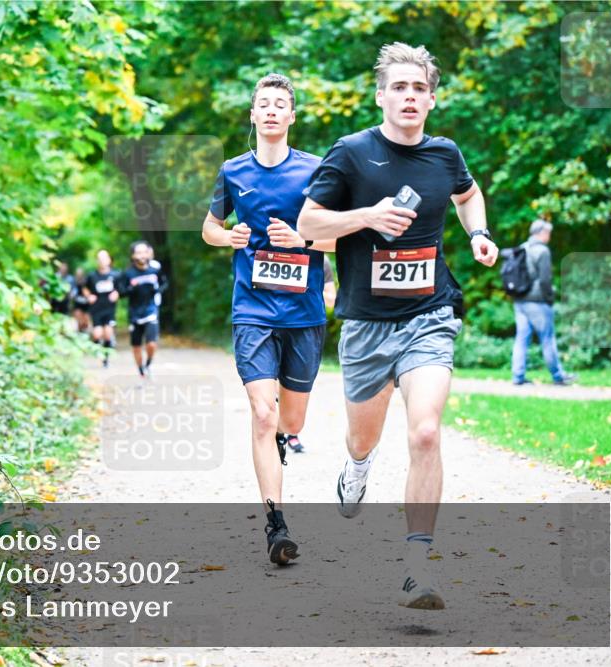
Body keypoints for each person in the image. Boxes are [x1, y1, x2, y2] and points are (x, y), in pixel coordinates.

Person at [298, 43, 499, 609]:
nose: (410, 97)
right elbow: (308, 223)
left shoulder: (445, 154)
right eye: (399, 87)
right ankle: (358, 466)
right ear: (381, 96)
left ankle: (416, 567)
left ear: (431, 100)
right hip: (366, 323)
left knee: (426, 432)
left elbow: (468, 194)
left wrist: (478, 234)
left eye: (419, 89)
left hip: (429, 314)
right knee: (363, 437)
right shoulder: (352, 153)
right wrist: (367, 215)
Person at [201, 73, 336, 566]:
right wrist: (228, 237)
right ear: (254, 114)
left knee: (289, 421)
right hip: (253, 310)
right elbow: (209, 227)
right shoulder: (233, 171)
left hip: (303, 313)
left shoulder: (316, 170)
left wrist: (302, 240)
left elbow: (342, 237)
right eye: (265, 103)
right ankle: (276, 525)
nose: (273, 110)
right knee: (263, 414)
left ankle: (281, 439)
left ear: (291, 116)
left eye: (281, 104)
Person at [281, 255, 336, 456]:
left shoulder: (321, 260)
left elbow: (331, 299)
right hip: (272, 321)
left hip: (304, 325)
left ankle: (290, 430)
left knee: (294, 387)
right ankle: (276, 430)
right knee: (272, 381)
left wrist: (311, 288)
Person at [511, 219, 575, 386]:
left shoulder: (522, 247)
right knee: (547, 338)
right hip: (537, 301)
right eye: (548, 233)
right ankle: (558, 376)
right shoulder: (542, 251)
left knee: (521, 338)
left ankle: (518, 377)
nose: (549, 237)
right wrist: (549, 298)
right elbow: (545, 280)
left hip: (519, 299)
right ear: (542, 233)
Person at [119, 240, 168, 378]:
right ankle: (141, 370)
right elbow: (121, 293)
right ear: (133, 255)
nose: (141, 255)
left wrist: (157, 289)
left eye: (144, 252)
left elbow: (164, 283)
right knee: (136, 346)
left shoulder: (155, 271)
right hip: (134, 313)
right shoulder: (128, 273)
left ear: (148, 254)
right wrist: (131, 288)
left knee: (151, 343)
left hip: (151, 310)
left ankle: (149, 364)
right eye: (138, 252)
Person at [84, 250, 120, 367]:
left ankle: (106, 359)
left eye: (104, 258)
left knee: (108, 334)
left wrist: (117, 293)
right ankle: (99, 351)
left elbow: (122, 288)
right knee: (97, 334)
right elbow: (85, 288)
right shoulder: (92, 275)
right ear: (97, 261)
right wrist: (89, 296)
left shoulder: (116, 275)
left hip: (109, 308)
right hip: (96, 309)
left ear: (109, 260)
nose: (102, 261)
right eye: (99, 259)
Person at [71, 267, 91, 334]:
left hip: (86, 304)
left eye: (80, 274)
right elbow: (72, 293)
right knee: (79, 320)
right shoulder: (73, 282)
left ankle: (85, 332)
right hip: (77, 304)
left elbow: (90, 292)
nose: (79, 275)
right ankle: (80, 333)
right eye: (77, 274)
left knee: (86, 321)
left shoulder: (87, 281)